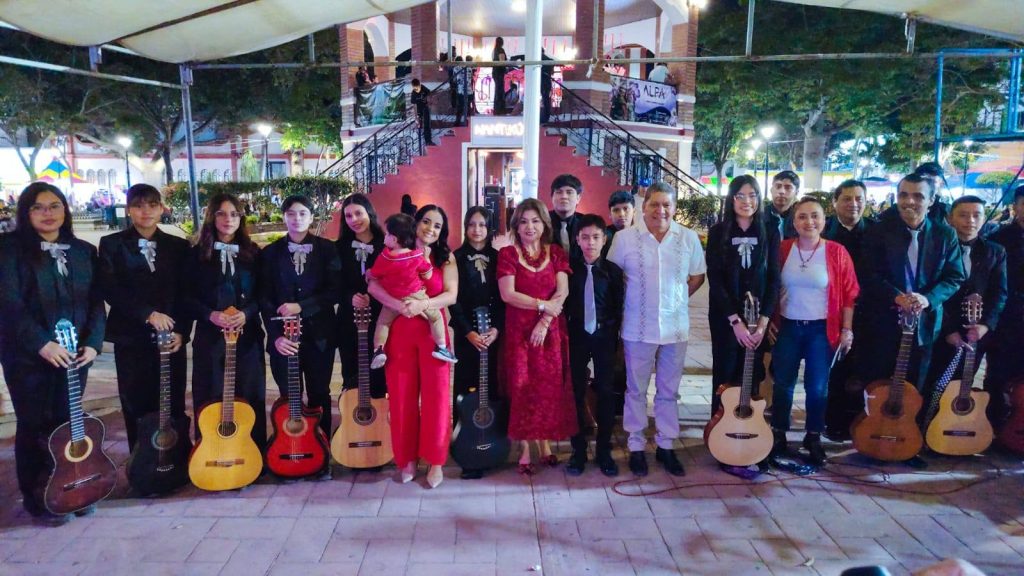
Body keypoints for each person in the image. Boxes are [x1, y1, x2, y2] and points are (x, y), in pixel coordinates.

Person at [0, 183, 106, 524]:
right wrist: (42, 344)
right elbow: (9, 304)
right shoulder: (8, 250)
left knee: (69, 422)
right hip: (29, 356)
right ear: (26, 212)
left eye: (54, 205)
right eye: (38, 207)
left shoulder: (83, 251)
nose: (48, 213)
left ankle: (73, 488)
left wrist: (93, 343)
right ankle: (39, 498)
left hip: (76, 355)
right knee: (35, 424)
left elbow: (95, 301)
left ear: (65, 210)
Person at [858, 174, 966, 446]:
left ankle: (908, 441)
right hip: (884, 323)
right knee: (878, 384)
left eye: (918, 196)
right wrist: (897, 297)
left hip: (924, 326)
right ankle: (873, 439)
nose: (909, 201)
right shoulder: (878, 232)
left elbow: (955, 277)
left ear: (931, 200)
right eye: (904, 195)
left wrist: (927, 299)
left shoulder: (945, 235)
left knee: (917, 387)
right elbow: (868, 275)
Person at [608, 182, 706, 477]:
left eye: (666, 205)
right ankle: (636, 445)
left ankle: (666, 444)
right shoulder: (625, 239)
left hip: (675, 328)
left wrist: (677, 299)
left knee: (668, 391)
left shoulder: (688, 238)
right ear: (644, 206)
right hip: (637, 328)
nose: (660, 210)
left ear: (674, 208)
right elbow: (614, 278)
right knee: (635, 390)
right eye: (654, 204)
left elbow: (697, 276)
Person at [367, 205, 457, 489]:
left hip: (432, 333)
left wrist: (423, 304)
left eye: (437, 226)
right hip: (400, 330)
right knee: (401, 397)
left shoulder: (445, 257)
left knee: (436, 398)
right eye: (426, 222)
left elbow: (451, 295)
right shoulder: (391, 251)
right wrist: (398, 305)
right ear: (414, 224)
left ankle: (435, 461)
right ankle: (406, 459)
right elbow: (373, 285)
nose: (430, 229)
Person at [98, 184, 190, 453]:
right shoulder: (112, 244)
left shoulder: (178, 246)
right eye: (138, 206)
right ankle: (141, 461)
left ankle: (174, 460)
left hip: (171, 337)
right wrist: (147, 314)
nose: (145, 211)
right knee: (135, 402)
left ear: (161, 208)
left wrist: (182, 331)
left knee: (172, 401)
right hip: (131, 337)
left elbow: (186, 292)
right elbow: (110, 288)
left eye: (152, 205)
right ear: (128, 210)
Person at [769, 198, 859, 465]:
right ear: (794, 222)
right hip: (787, 327)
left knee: (817, 386)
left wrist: (847, 329)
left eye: (815, 216)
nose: (809, 222)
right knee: (783, 383)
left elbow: (849, 294)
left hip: (821, 330)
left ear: (824, 220)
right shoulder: (783, 249)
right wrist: (768, 318)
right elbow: (769, 286)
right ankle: (778, 433)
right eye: (802, 217)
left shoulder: (836, 252)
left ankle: (813, 436)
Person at [258, 195, 341, 467]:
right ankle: (291, 448)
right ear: (284, 217)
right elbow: (264, 298)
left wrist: (301, 307)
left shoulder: (328, 249)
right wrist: (275, 336)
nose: (297, 218)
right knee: (288, 396)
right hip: (283, 339)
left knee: (319, 394)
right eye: (291, 213)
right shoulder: (269, 254)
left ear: (312, 217)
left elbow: (334, 291)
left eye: (303, 213)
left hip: (320, 337)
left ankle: (321, 452)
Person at [497, 198, 576, 475]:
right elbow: (507, 294)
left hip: (549, 333)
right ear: (515, 226)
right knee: (522, 389)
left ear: (544, 224)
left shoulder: (556, 253)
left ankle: (544, 444)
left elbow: (562, 292)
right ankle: (524, 448)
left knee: (547, 389)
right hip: (519, 334)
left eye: (535, 221)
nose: (529, 227)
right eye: (523, 221)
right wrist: (542, 305)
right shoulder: (508, 254)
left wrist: (544, 321)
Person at [182, 193, 267, 451]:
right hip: (210, 337)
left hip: (247, 336)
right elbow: (185, 296)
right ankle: (210, 454)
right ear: (212, 217)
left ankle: (252, 454)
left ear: (241, 218)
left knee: (250, 394)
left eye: (234, 214)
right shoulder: (196, 254)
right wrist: (210, 315)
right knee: (210, 394)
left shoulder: (254, 253)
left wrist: (247, 313)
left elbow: (265, 294)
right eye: (221, 213)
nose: (228, 219)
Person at [705, 175, 780, 417]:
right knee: (725, 372)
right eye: (740, 195)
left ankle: (747, 426)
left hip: (757, 318)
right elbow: (715, 279)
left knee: (752, 374)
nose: (747, 201)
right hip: (726, 317)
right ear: (731, 199)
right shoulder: (718, 232)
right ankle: (720, 426)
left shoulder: (770, 231)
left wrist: (763, 322)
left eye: (752, 195)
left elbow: (774, 278)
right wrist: (735, 321)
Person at [927, 196, 1006, 422]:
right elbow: (933, 291)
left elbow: (1000, 293)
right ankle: (927, 428)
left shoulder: (995, 251)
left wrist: (985, 326)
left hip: (976, 332)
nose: (970, 220)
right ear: (950, 218)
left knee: (964, 383)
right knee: (935, 381)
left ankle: (956, 428)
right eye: (963, 215)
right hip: (940, 328)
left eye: (976, 215)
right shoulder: (936, 248)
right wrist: (948, 330)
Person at [565, 214, 624, 477]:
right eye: (585, 237)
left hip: (604, 336)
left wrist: (614, 337)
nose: (590, 243)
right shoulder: (568, 270)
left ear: (604, 240)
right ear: (577, 240)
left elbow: (619, 307)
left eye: (596, 237)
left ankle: (603, 450)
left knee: (606, 391)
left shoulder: (613, 272)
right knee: (575, 391)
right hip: (577, 335)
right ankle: (578, 450)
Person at [448, 207, 505, 479]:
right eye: (472, 224)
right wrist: (468, 332)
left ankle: (492, 442)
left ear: (489, 227)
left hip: (493, 334)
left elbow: (505, 297)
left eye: (482, 224)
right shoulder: (455, 258)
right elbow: (453, 300)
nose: (477, 229)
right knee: (464, 389)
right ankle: (466, 446)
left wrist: (496, 329)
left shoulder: (499, 257)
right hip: (467, 334)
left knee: (493, 388)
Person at [822, 179, 877, 440]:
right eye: (846, 198)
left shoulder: (877, 233)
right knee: (834, 369)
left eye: (859, 199)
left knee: (863, 369)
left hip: (868, 314)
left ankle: (861, 424)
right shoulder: (824, 231)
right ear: (835, 202)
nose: (853, 204)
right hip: (831, 313)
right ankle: (832, 422)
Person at [368, 213, 456, 368]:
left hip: (394, 296)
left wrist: (369, 274)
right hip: (416, 295)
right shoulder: (416, 256)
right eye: (426, 222)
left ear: (394, 239)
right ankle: (441, 347)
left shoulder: (385, 256)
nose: (430, 228)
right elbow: (427, 274)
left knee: (382, 323)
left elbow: (374, 275)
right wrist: (426, 259)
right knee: (436, 318)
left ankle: (378, 350)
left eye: (387, 234)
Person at [334, 193, 387, 399]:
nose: (354, 219)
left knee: (378, 373)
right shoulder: (338, 248)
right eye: (348, 216)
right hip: (348, 319)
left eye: (358, 213)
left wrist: (372, 298)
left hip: (380, 318)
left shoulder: (387, 245)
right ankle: (352, 414)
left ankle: (379, 414)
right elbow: (333, 284)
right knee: (351, 373)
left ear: (369, 213)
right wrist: (350, 298)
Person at [986, 185, 1024, 426]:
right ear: (1015, 207)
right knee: (998, 373)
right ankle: (993, 423)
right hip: (1006, 317)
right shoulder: (1000, 239)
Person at [548, 174, 591, 261]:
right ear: (552, 197)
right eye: (559, 192)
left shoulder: (587, 224)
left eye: (569, 192)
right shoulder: (542, 222)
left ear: (578, 198)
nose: (564, 196)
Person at [766, 171, 800, 239]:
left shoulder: (801, 219)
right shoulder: (759, 217)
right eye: (778, 186)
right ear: (771, 190)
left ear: (796, 192)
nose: (781, 191)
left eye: (788, 187)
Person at [605, 189, 635, 255]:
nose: (621, 214)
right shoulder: (603, 237)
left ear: (634, 212)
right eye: (616, 210)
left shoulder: (643, 236)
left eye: (626, 209)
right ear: (610, 214)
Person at [410, 79, 435, 146]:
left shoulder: (423, 88)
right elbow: (414, 106)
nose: (416, 90)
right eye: (415, 89)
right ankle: (420, 143)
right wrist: (416, 117)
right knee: (419, 126)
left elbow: (429, 93)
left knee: (427, 124)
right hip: (419, 110)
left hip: (425, 108)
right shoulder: (413, 94)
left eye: (417, 88)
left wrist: (429, 100)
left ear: (419, 85)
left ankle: (428, 141)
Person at [492, 37, 509, 116]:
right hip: (499, 72)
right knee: (500, 91)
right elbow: (502, 62)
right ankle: (500, 109)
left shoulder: (494, 50)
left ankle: (496, 109)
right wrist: (507, 66)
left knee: (497, 90)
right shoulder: (500, 50)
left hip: (495, 71)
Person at [454, 57, 470, 126]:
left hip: (461, 91)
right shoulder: (469, 68)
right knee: (467, 106)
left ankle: (458, 122)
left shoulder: (456, 68)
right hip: (469, 90)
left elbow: (454, 79)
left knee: (460, 107)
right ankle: (468, 122)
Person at [540, 48, 554, 124]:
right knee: (546, 100)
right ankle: (546, 117)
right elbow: (552, 72)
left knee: (544, 100)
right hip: (547, 82)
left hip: (542, 82)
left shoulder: (540, 59)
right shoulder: (549, 60)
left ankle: (543, 117)